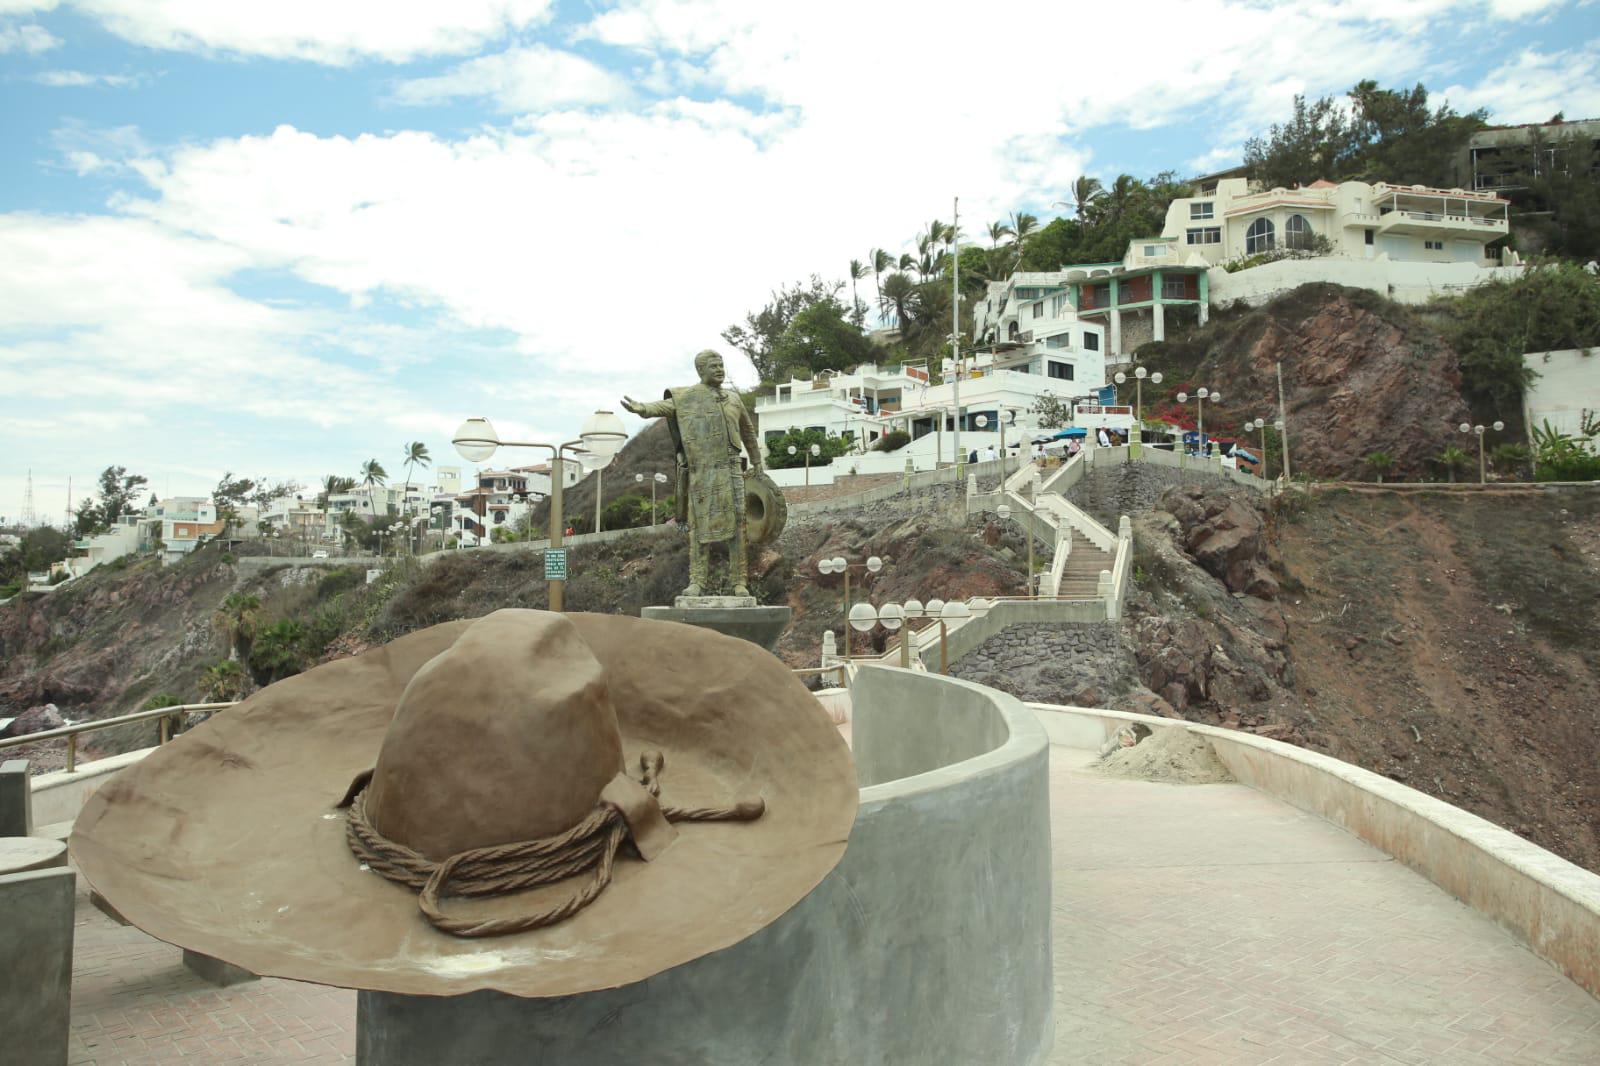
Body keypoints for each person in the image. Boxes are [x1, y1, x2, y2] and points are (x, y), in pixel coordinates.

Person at [622, 349, 763, 598]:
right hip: (702, 471)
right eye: (713, 366)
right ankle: (697, 581)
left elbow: (748, 431)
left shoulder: (733, 398)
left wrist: (757, 459)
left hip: (732, 469)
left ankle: (739, 581)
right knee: (698, 528)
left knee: (738, 526)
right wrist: (641, 408)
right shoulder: (687, 397)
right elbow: (664, 407)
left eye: (721, 365)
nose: (719, 369)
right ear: (701, 371)